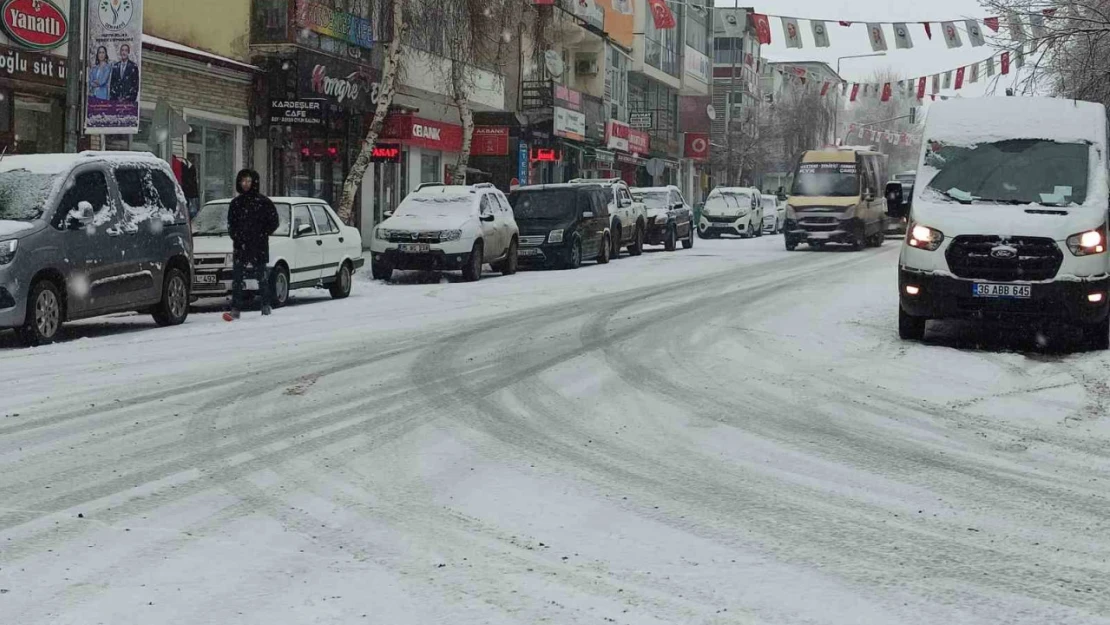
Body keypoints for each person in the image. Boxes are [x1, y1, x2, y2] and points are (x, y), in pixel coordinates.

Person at [225, 169, 279, 320]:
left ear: (254, 182)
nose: (246, 184)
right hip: (240, 246)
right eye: (243, 181)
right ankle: (236, 308)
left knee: (262, 277)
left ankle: (265, 305)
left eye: (249, 181)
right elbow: (231, 224)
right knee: (237, 279)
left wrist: (262, 234)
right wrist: (236, 237)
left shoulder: (263, 202)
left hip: (259, 245)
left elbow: (274, 221)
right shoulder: (236, 203)